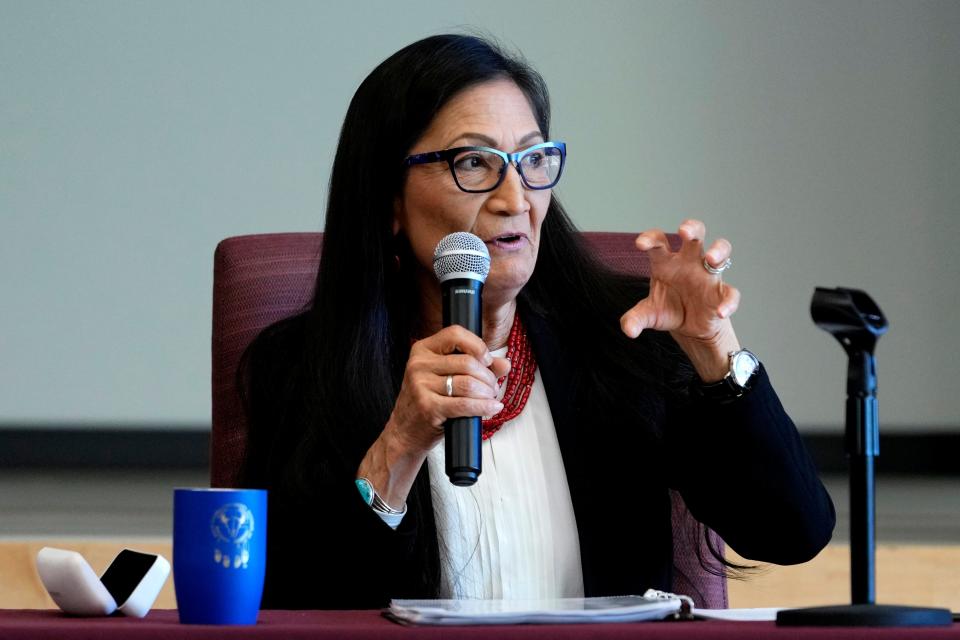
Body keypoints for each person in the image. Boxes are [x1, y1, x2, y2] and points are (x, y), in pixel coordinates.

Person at [239, 33, 835, 609]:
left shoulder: (626, 342)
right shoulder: (298, 370)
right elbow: (287, 607)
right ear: (389, 200)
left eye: (532, 159)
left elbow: (792, 534)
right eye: (474, 162)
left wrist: (712, 348)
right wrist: (398, 447)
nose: (515, 197)